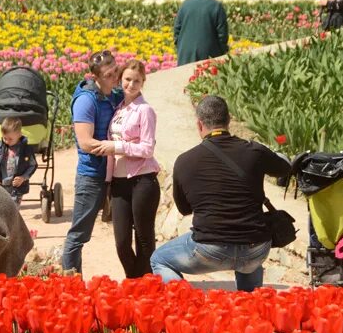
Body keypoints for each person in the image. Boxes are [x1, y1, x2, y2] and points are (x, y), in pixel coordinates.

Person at [150, 95, 291, 291]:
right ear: (228, 120)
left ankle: (186, 305)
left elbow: (184, 209)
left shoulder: (185, 161)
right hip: (254, 248)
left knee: (159, 259)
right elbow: (285, 168)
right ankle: (249, 304)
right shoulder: (254, 151)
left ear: (200, 125)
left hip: (209, 249)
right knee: (251, 259)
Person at [95, 60, 160, 278]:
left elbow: (148, 148)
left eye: (137, 81)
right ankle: (135, 281)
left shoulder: (145, 110)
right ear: (121, 79)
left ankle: (143, 285)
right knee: (122, 242)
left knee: (143, 238)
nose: (131, 84)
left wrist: (117, 146)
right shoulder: (119, 109)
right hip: (119, 181)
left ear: (143, 82)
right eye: (128, 79)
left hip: (142, 179)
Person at [61, 50, 124, 274]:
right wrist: (118, 148)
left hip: (113, 172)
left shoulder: (113, 94)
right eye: (109, 75)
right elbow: (86, 143)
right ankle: (70, 281)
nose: (115, 77)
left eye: (116, 70)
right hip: (92, 175)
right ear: (95, 77)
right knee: (79, 234)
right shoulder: (86, 100)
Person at [173, 0, 228, 65]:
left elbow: (176, 31)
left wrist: (181, 48)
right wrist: (222, 53)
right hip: (209, 55)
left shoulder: (185, 4)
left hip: (185, 54)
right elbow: (222, 36)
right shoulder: (216, 6)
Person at [0, 117, 38, 205]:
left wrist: (23, 177)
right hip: (0, 184)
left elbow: (33, 165)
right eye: (4, 138)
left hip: (16, 187)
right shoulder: (0, 147)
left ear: (19, 134)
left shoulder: (26, 150)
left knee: (12, 210)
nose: (7, 141)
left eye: (10, 139)